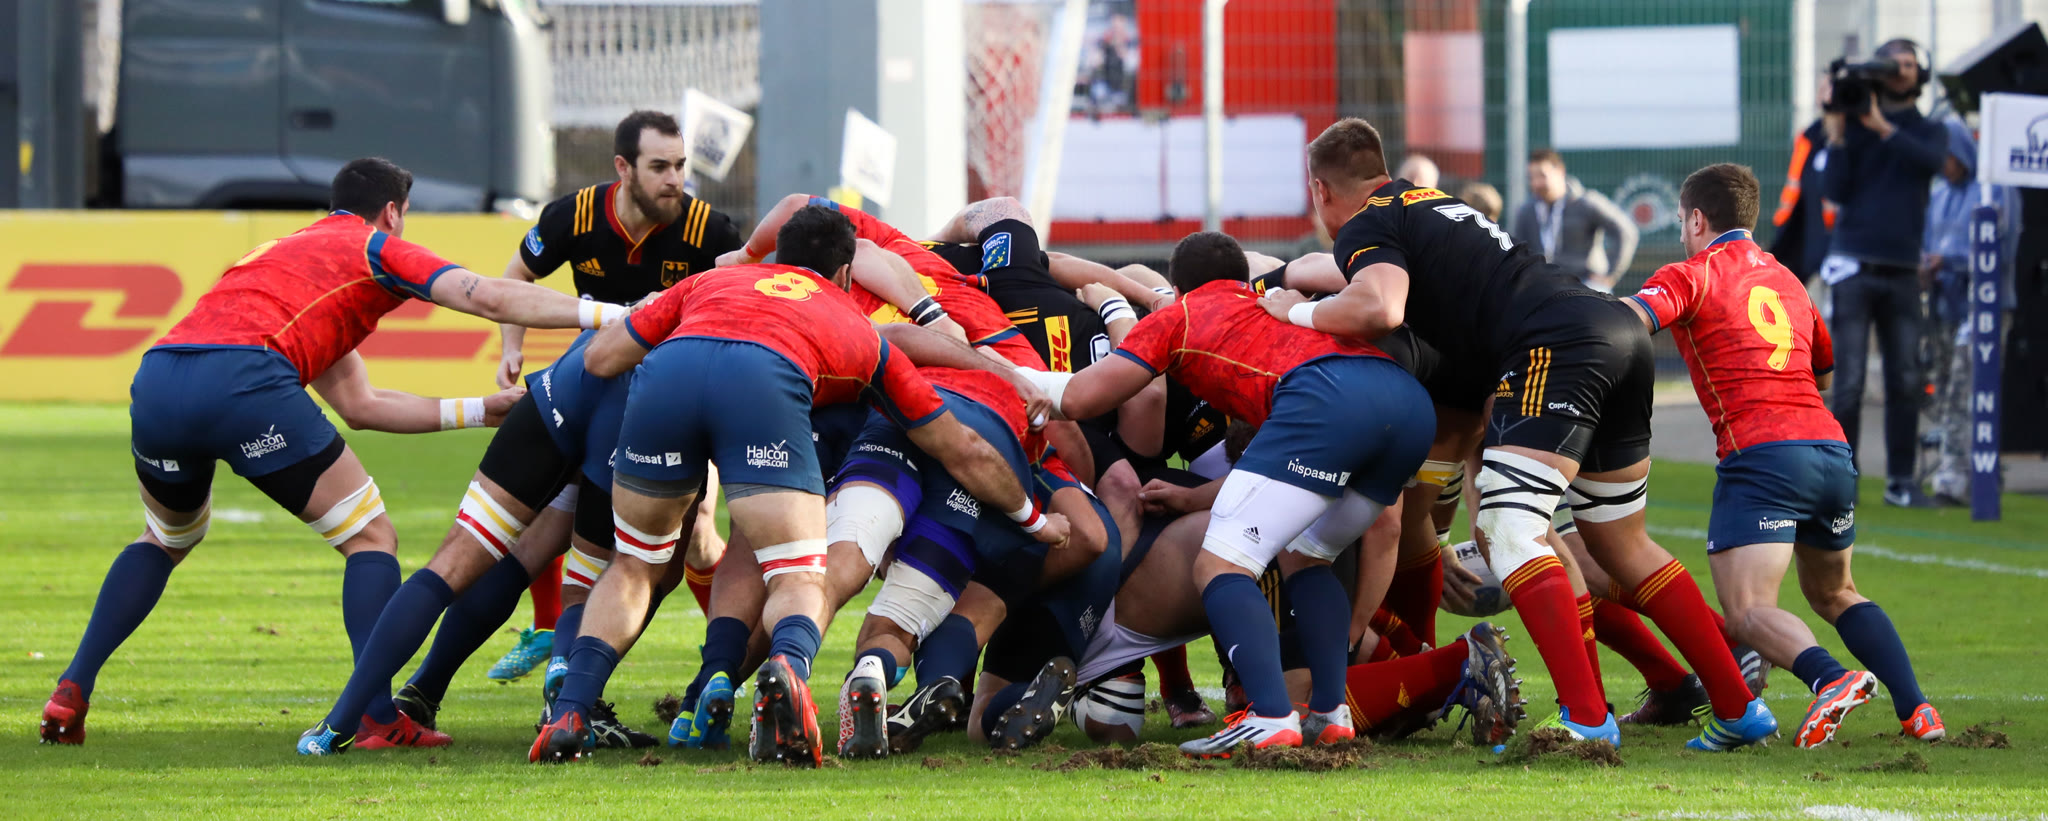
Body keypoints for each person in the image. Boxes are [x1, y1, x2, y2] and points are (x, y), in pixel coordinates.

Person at [41, 157, 622, 748]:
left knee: (166, 536)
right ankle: (375, 716)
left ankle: (71, 688)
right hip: (244, 380)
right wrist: (618, 316)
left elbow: (360, 404)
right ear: (392, 212)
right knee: (371, 539)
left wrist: (477, 410)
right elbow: (488, 296)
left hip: (160, 378)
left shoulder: (280, 254)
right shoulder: (373, 246)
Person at [1262, 118, 1772, 750]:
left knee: (1507, 530)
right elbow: (1358, 283)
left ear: (1320, 190)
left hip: (1554, 346)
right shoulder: (1428, 205)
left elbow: (1380, 306)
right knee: (1622, 547)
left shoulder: (1369, 224)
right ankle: (1737, 706)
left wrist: (1296, 309)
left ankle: (1586, 716)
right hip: (1614, 328)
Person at [531, 205, 1069, 766]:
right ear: (845, 274)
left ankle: (571, 711)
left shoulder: (708, 282)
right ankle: (787, 668)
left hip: (667, 383)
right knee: (797, 572)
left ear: (777, 255)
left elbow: (601, 358)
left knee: (634, 566)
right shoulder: (855, 326)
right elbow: (960, 447)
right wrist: (1033, 517)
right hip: (767, 391)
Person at [1021, 230, 1436, 757]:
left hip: (1325, 398)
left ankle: (1270, 715)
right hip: (1407, 403)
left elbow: (1081, 398)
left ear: (1178, 287)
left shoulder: (1181, 314)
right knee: (1308, 555)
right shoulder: (1271, 298)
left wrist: (1000, 371)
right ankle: (1331, 715)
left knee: (1220, 565)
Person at [1627, 162, 1944, 747]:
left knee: (1746, 611)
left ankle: (1830, 679)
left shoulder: (1691, 274)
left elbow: (1631, 322)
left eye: (1680, 221)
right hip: (1830, 449)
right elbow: (1823, 371)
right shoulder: (1788, 281)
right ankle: (1919, 710)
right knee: (1836, 592)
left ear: (1696, 219)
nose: (1681, 232)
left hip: (1763, 456)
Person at [484, 109, 744, 685]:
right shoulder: (575, 216)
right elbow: (513, 278)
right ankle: (552, 633)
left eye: (680, 165)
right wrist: (511, 347)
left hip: (675, 399)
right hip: (598, 384)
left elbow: (748, 295)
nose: (675, 179)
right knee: (545, 507)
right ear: (624, 168)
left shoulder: (709, 230)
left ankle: (727, 662)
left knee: (699, 533)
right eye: (660, 167)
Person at [1817, 38, 1949, 508]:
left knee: (1906, 379)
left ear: (1921, 74)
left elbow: (1931, 163)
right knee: (1848, 382)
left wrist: (1882, 127)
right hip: (1853, 268)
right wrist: (1837, 134)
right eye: (1892, 62)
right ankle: (1842, 484)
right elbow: (1834, 191)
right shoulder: (1852, 126)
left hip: (1903, 271)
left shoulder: (1929, 129)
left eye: (1908, 63)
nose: (1899, 70)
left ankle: (1900, 482)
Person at [1922, 117, 2021, 505]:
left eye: (1945, 155)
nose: (1941, 163)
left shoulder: (1995, 190)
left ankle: (1953, 480)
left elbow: (2000, 251)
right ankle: (1983, 474)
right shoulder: (1939, 194)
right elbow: (1927, 242)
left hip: (1985, 310)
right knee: (1949, 391)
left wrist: (1947, 261)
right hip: (1946, 308)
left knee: (1965, 393)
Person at [1511, 149, 1639, 292]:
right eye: (1532, 177)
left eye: (1542, 176)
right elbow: (1519, 252)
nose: (1536, 183)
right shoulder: (1527, 210)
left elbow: (1626, 231)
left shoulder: (1586, 203)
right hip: (1545, 284)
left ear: (1560, 171)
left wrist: (1611, 275)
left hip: (1585, 282)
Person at [1767, 74, 1838, 282]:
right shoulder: (1809, 136)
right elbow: (1795, 184)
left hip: (1839, 237)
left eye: (1830, 88)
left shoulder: (1856, 135)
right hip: (1804, 231)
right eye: (1822, 88)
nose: (1824, 95)